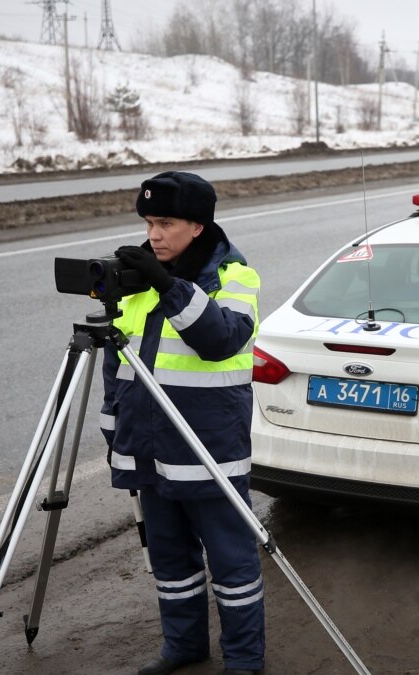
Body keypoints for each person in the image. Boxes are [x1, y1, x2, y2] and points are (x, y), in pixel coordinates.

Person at [100, 171, 264, 675]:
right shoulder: (141, 282)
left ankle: (244, 662)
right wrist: (116, 438)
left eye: (165, 222)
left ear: (197, 225)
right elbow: (117, 371)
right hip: (151, 452)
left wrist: (169, 287)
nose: (153, 234)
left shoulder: (235, 278)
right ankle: (184, 647)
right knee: (171, 565)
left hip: (209, 454)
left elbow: (219, 341)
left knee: (233, 567)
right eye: (149, 222)